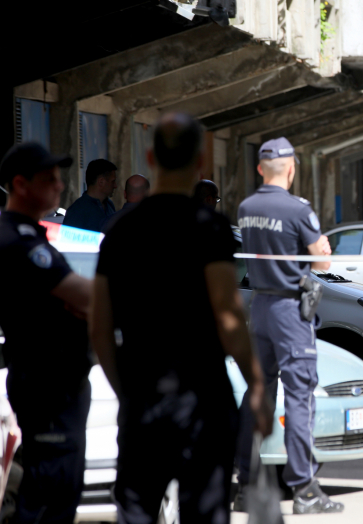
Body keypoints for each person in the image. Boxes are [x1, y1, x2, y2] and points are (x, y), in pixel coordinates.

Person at [89, 113, 273, 520]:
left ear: (151, 157)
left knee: (137, 512)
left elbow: (100, 328)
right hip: (202, 401)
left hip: (144, 400)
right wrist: (257, 386)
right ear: (200, 161)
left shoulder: (120, 231)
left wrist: (127, 393)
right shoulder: (209, 227)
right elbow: (228, 315)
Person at [0, 142, 94, 522]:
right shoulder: (17, 240)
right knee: (47, 493)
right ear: (20, 184)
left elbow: (80, 298)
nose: (59, 187)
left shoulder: (32, 236)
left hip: (59, 381)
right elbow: (85, 294)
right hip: (46, 382)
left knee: (60, 491)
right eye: (49, 179)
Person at [236, 136, 342, 514]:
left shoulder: (246, 206)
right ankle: (304, 488)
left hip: (259, 305)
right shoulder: (298, 209)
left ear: (260, 169)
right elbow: (322, 263)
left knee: (257, 394)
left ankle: (246, 483)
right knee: (300, 397)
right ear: (292, 168)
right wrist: (321, 249)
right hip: (289, 310)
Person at [63, 159, 117, 231]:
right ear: (101, 182)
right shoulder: (77, 211)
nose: (115, 186)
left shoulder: (109, 205)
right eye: (112, 181)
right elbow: (68, 240)